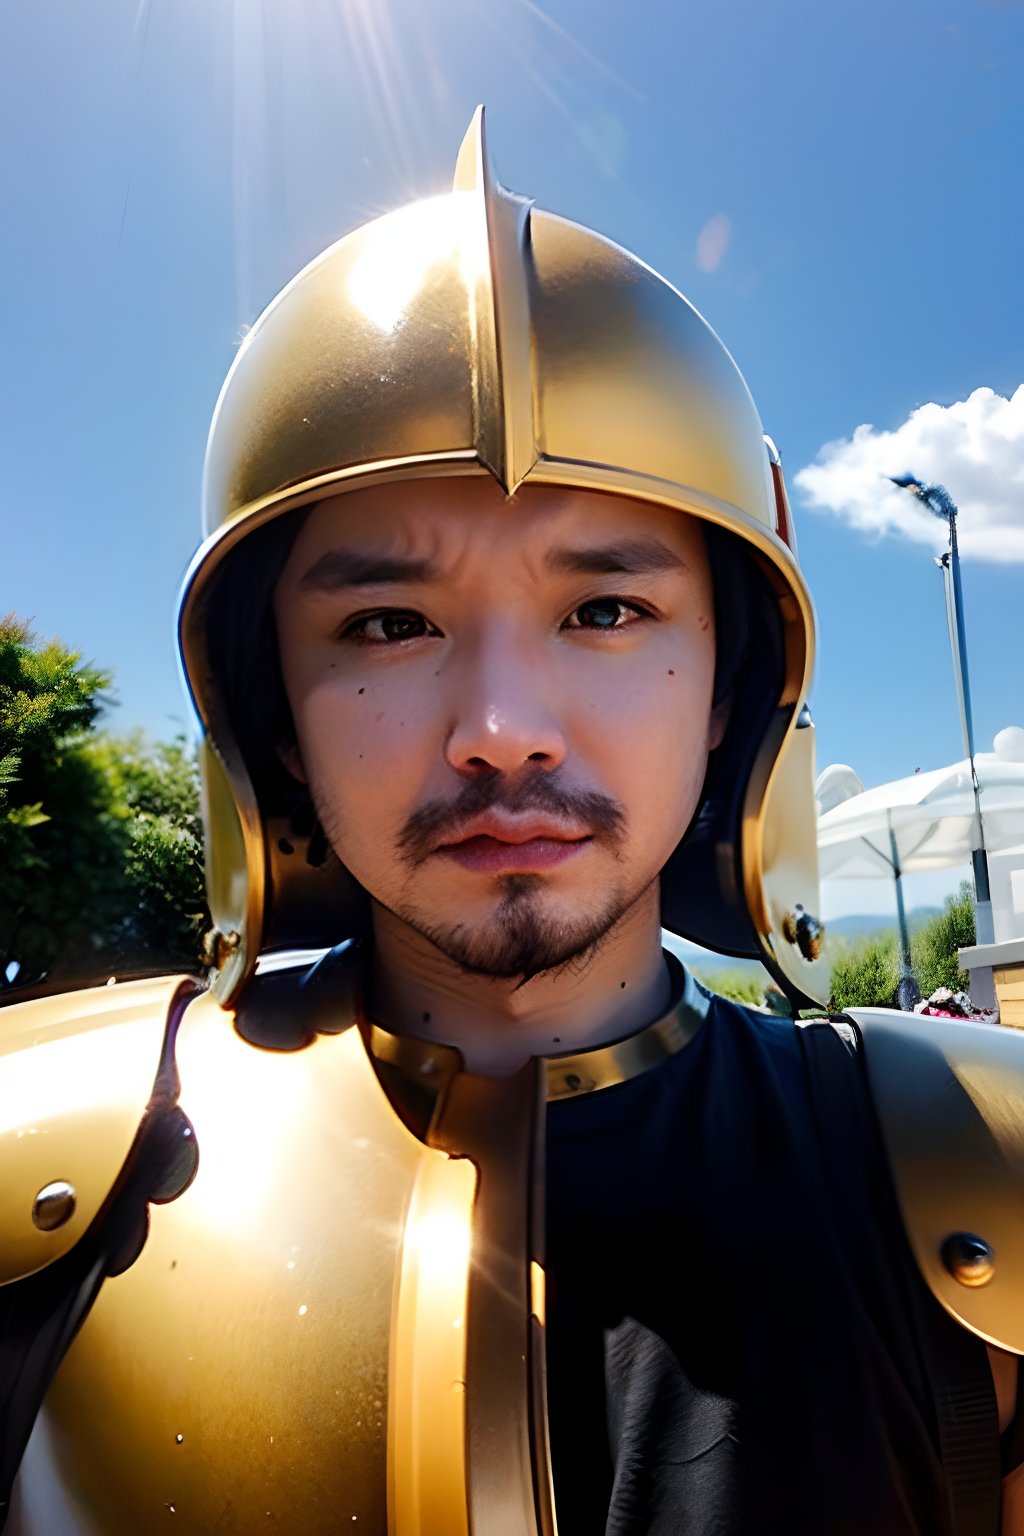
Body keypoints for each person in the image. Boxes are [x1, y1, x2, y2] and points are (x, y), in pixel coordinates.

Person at [3, 110, 1024, 1536]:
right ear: (269, 708)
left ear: (732, 685)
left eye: (606, 610)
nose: (500, 726)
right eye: (388, 621)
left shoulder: (983, 1174)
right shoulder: (38, 1170)